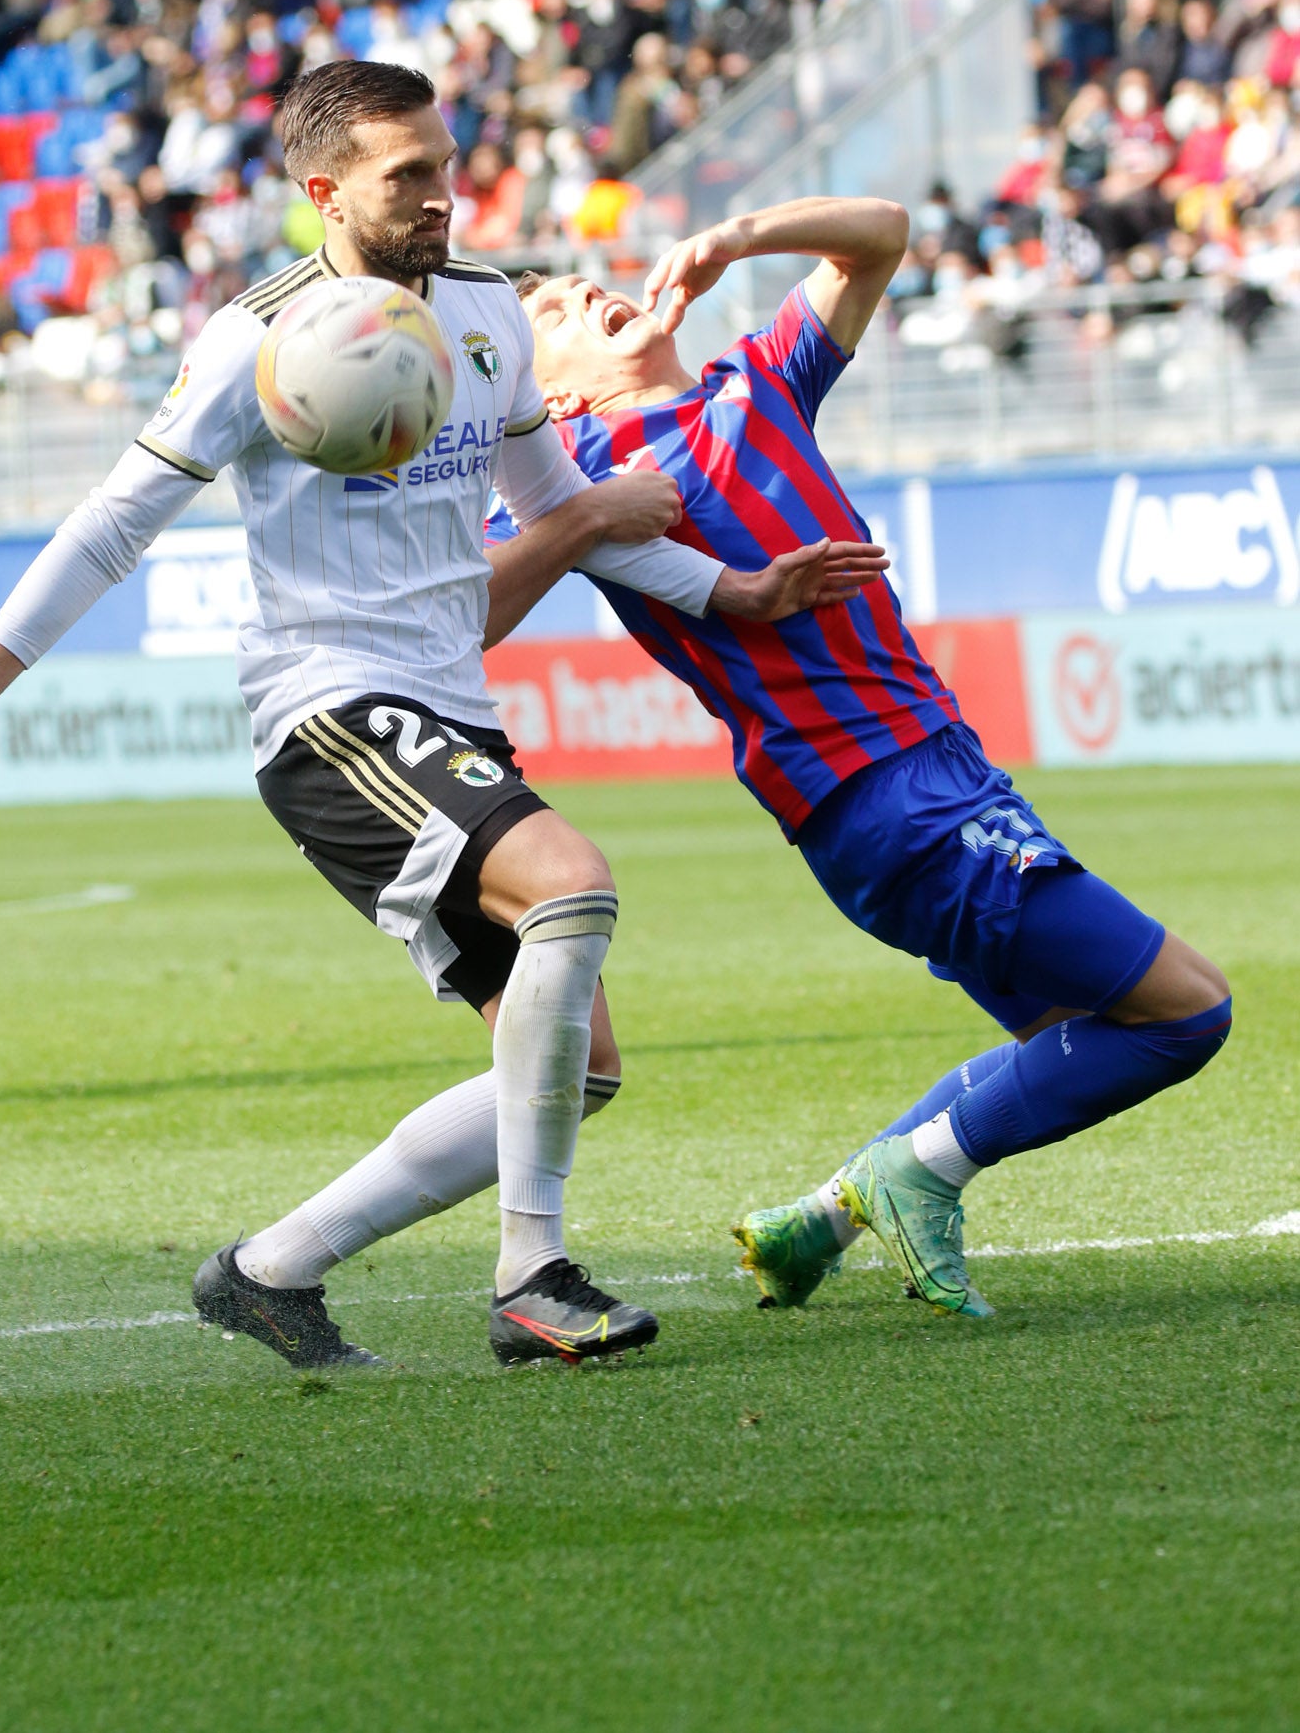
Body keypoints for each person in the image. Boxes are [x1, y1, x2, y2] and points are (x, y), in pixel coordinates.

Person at [0, 60, 873, 1371]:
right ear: (324, 190)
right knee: (570, 886)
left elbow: (567, 512)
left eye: (445, 164)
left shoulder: (487, 315)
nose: (443, 195)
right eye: (409, 176)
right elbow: (111, 526)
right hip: (326, 709)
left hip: (446, 710)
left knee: (574, 1067)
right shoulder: (255, 341)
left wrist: (734, 588)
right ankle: (529, 1275)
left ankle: (271, 1270)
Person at [501, 198, 1232, 1318]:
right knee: (1188, 1012)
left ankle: (823, 1220)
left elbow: (880, 235)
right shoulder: (592, 483)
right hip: (885, 796)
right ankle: (910, 1174)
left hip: (935, 772)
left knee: (1070, 1037)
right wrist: (575, 506)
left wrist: (740, 236)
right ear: (551, 400)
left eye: (574, 282)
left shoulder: (757, 381)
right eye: (550, 311)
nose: (583, 294)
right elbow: (495, 573)